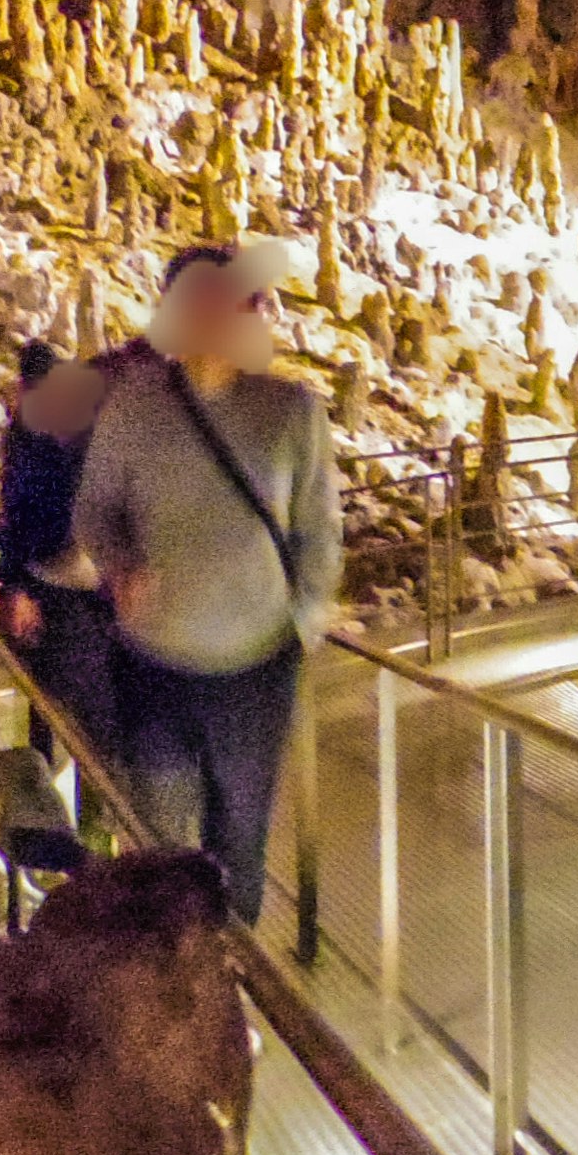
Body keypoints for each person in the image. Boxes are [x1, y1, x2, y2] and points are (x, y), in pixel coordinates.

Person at [72, 238, 341, 916]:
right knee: (161, 843)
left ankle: (229, 982)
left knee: (238, 842)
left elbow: (319, 528)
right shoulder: (132, 410)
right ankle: (169, 986)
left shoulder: (292, 411)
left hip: (255, 668)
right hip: (154, 660)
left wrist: (303, 621)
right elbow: (96, 510)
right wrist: (119, 567)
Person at [0, 339, 123, 760]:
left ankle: (96, 809)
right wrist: (15, 584)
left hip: (100, 591)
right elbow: (18, 517)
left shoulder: (85, 434)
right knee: (76, 709)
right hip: (57, 588)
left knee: (101, 712)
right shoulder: (28, 443)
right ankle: (67, 798)